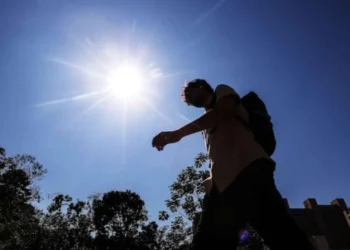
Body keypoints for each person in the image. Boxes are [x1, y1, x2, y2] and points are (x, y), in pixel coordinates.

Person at [152, 79, 314, 250]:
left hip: (250, 173)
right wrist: (211, 181)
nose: (188, 100)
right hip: (221, 188)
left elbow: (223, 110)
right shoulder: (206, 126)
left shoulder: (222, 91)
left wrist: (179, 133)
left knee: (284, 238)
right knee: (207, 243)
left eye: (188, 94)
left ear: (201, 86)